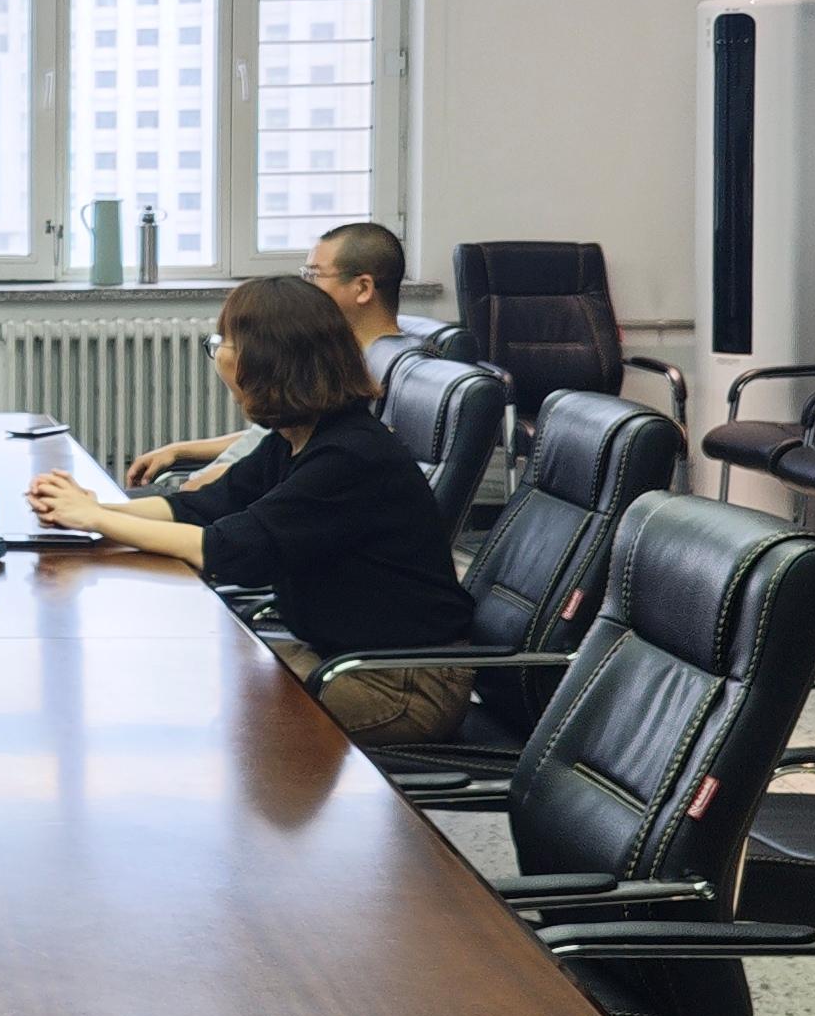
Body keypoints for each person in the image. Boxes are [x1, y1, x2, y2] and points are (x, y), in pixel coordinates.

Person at [26, 275, 478, 743]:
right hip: (343, 659)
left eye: (224, 343)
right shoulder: (298, 439)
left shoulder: (348, 456)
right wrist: (95, 508)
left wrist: (97, 520)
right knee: (183, 680)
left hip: (401, 686)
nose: (219, 356)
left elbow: (228, 548)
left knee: (199, 715)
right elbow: (202, 508)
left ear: (268, 361)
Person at [125, 221, 425, 491]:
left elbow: (323, 456)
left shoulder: (378, 372)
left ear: (362, 288)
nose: (304, 288)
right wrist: (182, 450)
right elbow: (284, 435)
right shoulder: (336, 356)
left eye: (314, 275)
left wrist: (224, 481)